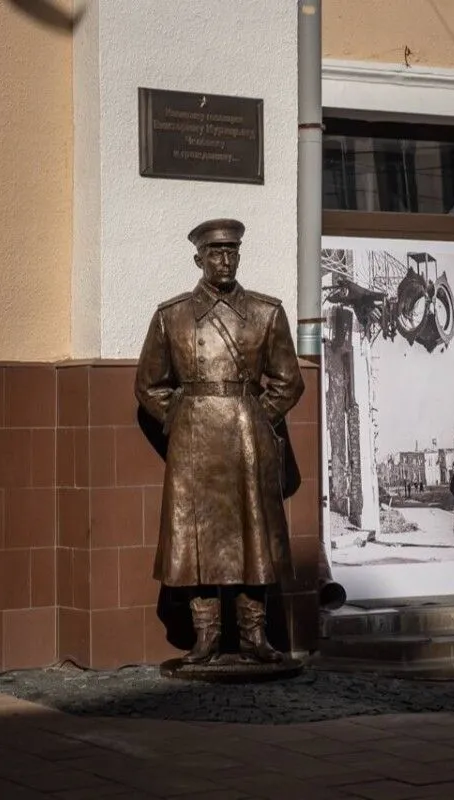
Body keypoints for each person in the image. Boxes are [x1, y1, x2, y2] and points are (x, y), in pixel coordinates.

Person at [135, 219, 304, 665]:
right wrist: (183, 420)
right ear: (199, 259)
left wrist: (255, 416)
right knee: (196, 538)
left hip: (249, 442)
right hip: (194, 445)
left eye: (232, 252)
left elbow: (289, 381)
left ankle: (255, 635)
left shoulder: (267, 313)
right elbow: (149, 385)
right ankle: (205, 635)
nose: (224, 260)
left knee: (255, 538)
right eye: (215, 253)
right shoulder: (171, 317)